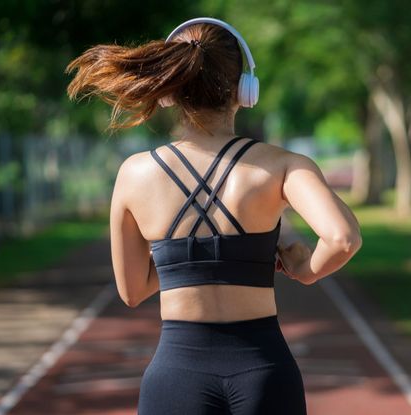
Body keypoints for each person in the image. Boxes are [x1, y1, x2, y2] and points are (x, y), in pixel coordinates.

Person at [65, 16, 362, 415]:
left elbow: (133, 291)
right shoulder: (283, 165)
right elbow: (343, 239)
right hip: (265, 371)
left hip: (176, 376)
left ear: (170, 92)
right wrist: (306, 268)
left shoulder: (134, 175)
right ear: (245, 89)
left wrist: (182, 258)